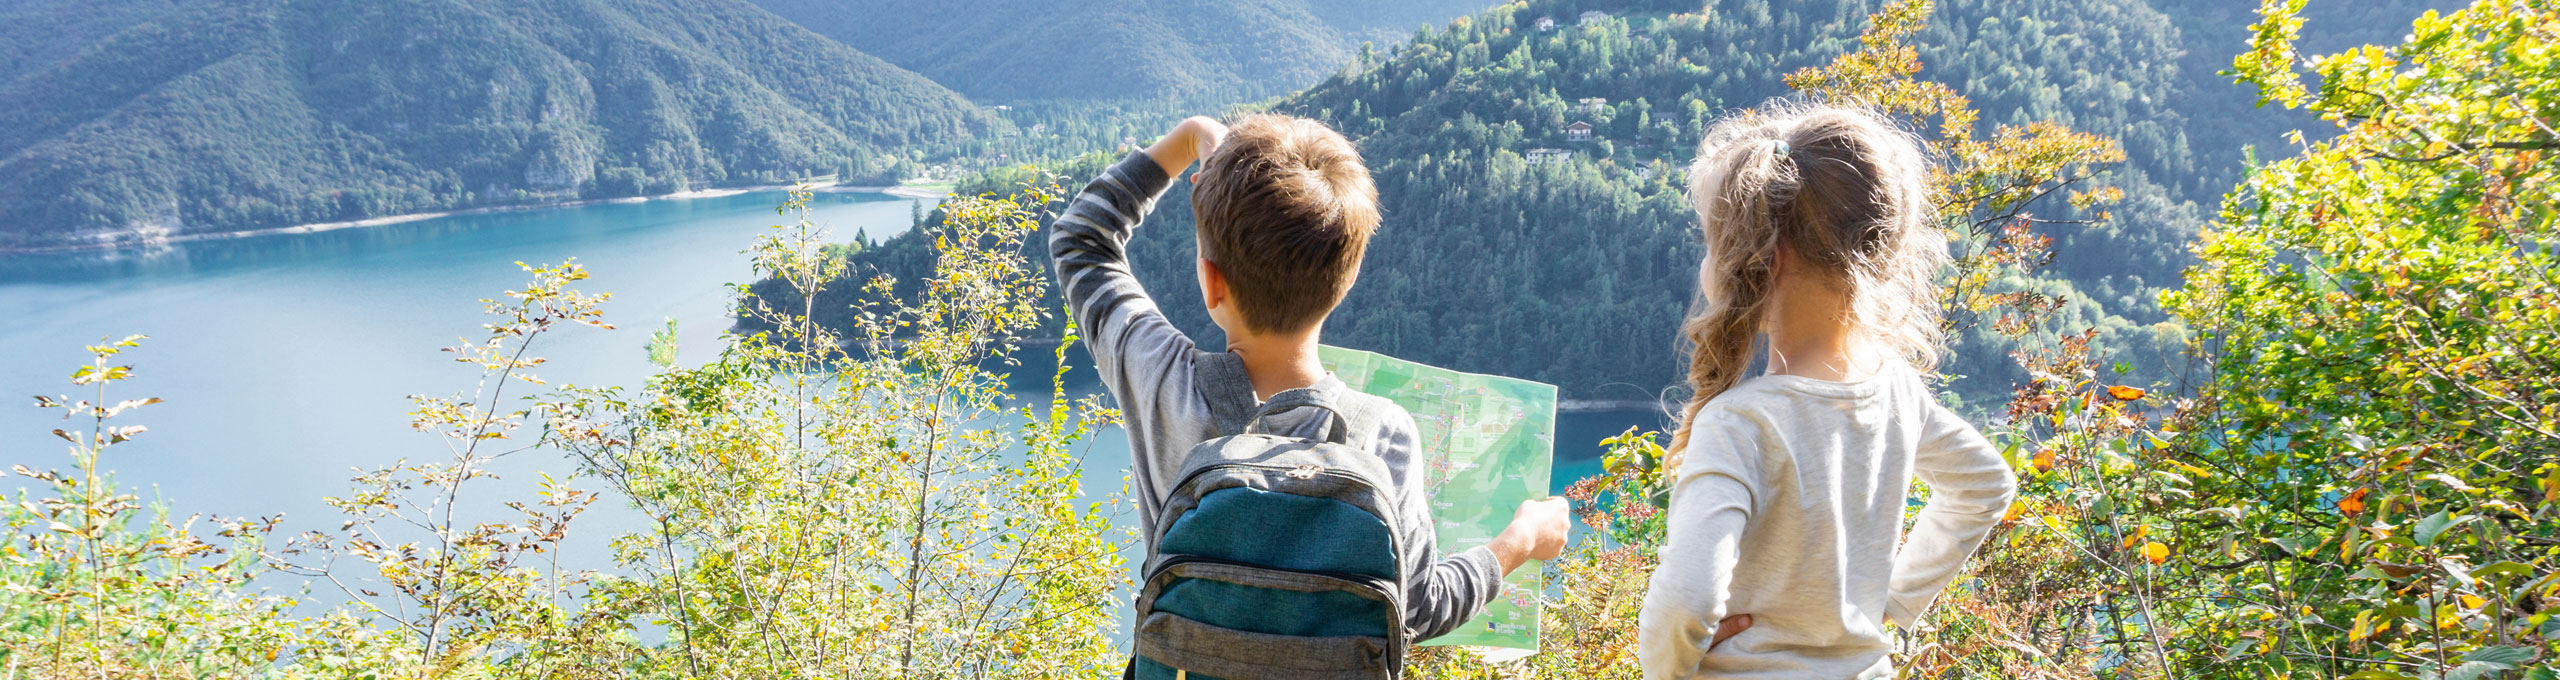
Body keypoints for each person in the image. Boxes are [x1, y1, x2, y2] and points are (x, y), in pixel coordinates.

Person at [1048, 114, 1573, 651]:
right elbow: (1421, 609)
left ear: (1211, 283)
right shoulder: (1382, 435)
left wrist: (1190, 138)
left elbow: (1081, 240)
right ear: (1347, 279)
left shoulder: (1162, 382)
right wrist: (1523, 539)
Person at [1636, 102, 2020, 678]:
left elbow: (1688, 597)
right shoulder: (1897, 391)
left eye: (1712, 240)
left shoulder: (1740, 425)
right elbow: (1986, 486)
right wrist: (1890, 601)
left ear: (1763, 256)